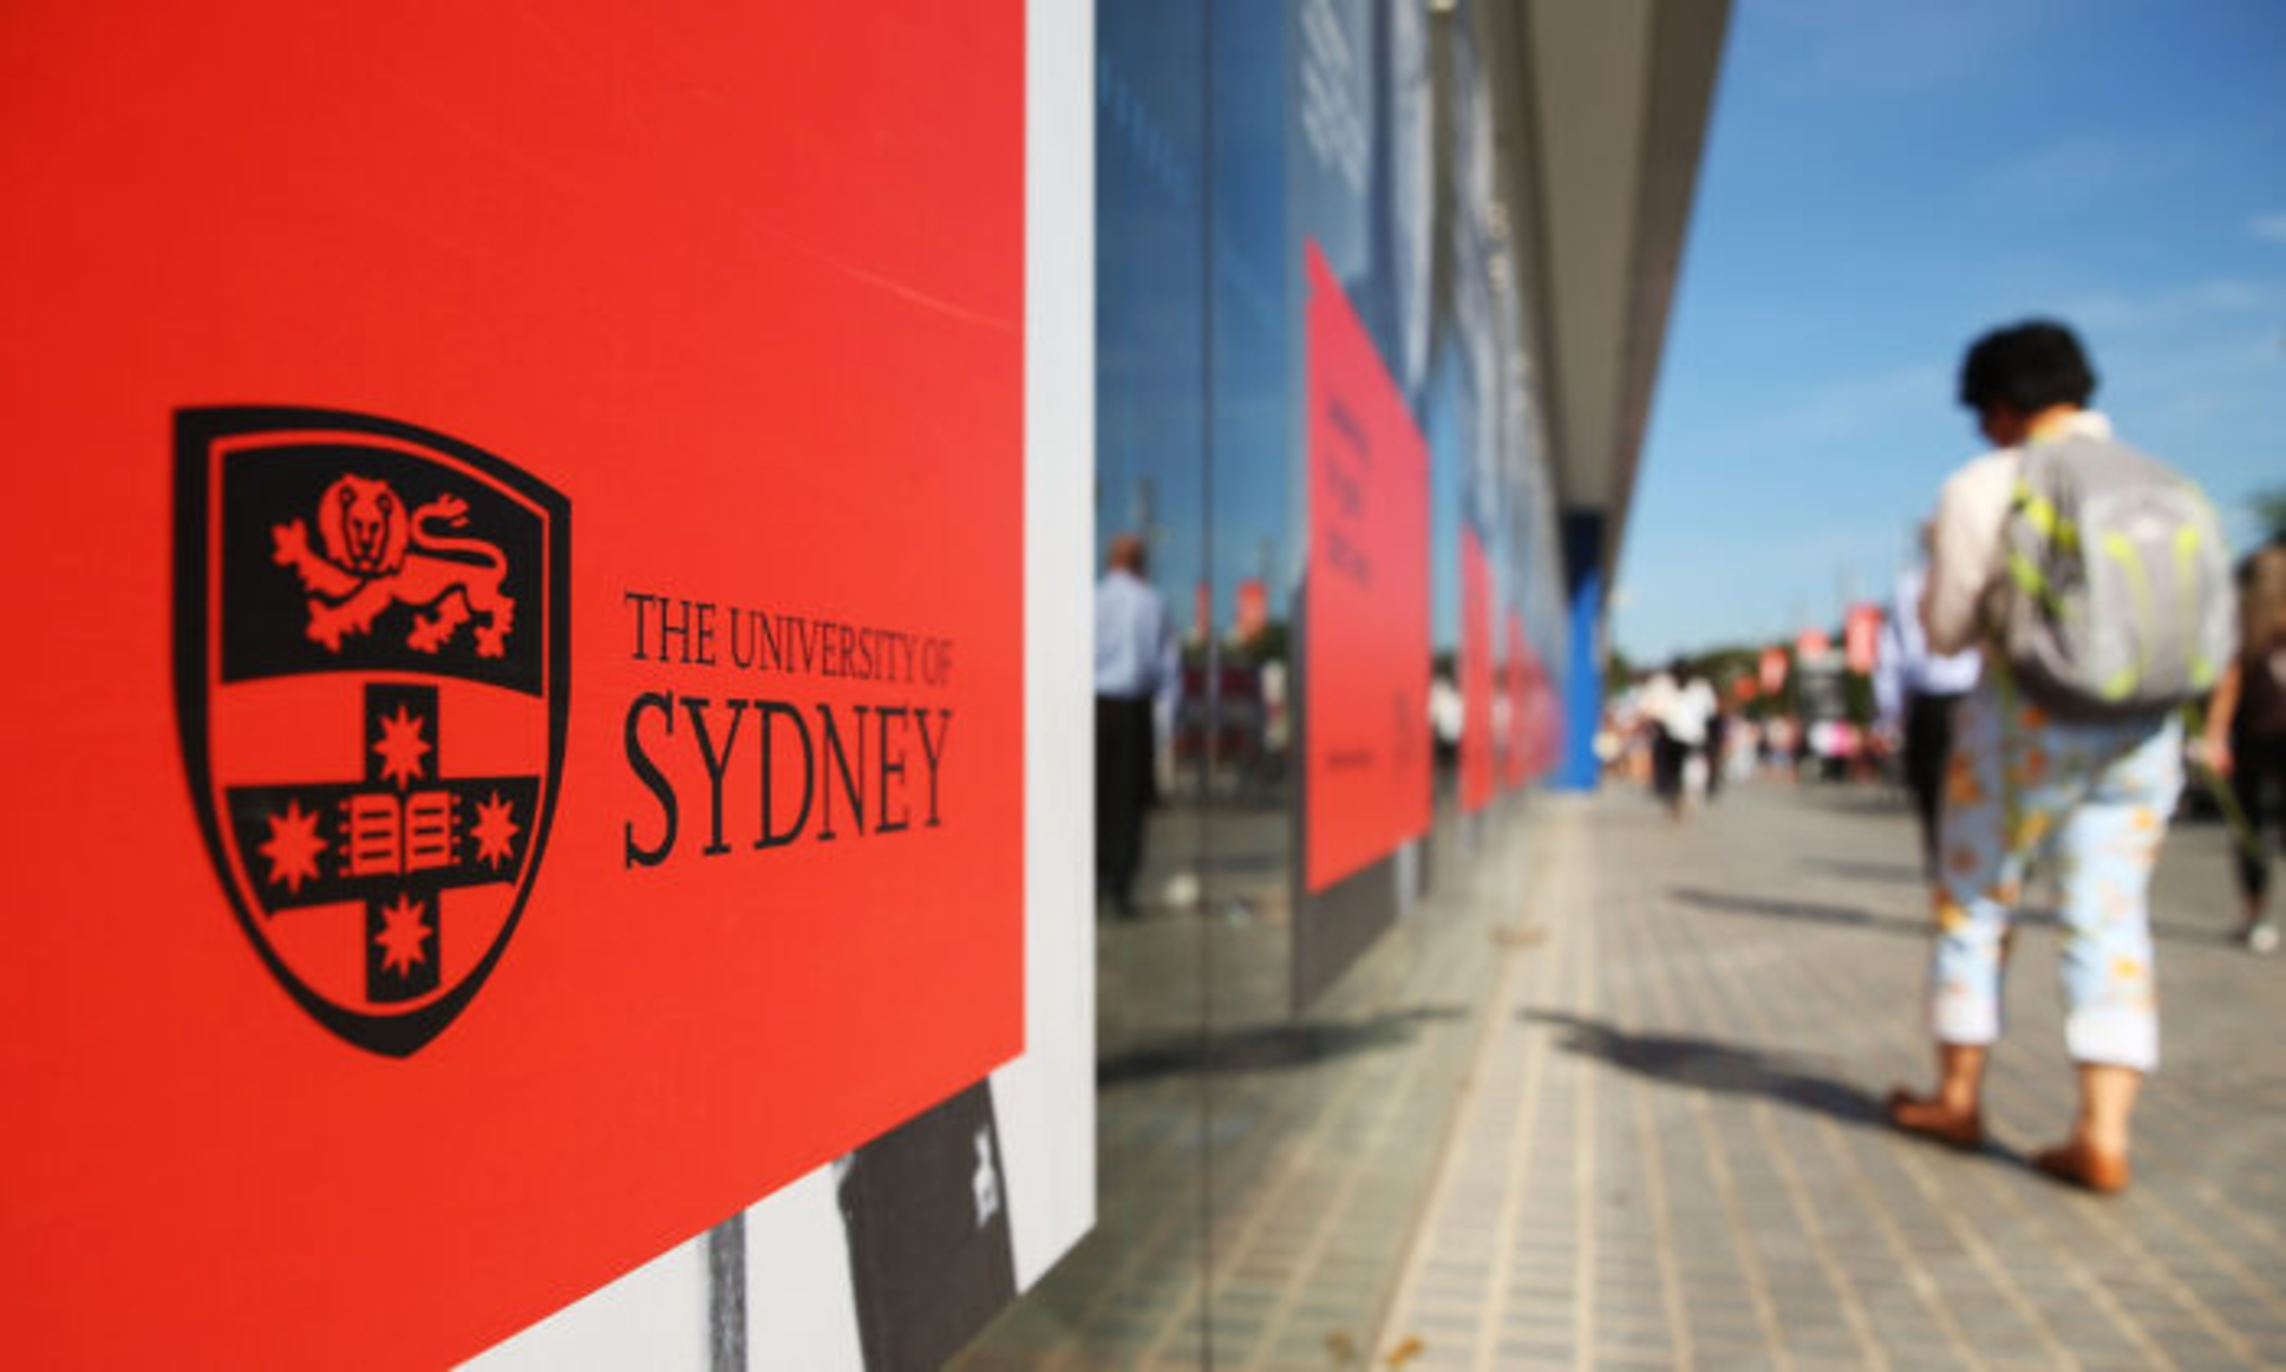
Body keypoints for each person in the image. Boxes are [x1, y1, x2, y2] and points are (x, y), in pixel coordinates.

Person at [1886, 321, 2188, 1195]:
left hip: (2022, 724)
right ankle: (2103, 1131)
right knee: (2111, 918)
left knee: (1976, 903)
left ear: (1999, 407)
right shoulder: (2164, 484)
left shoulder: (1988, 483)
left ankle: (1958, 1095)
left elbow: (1946, 630)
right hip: (2143, 728)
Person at [1874, 532, 1984, 876]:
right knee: (1976, 794)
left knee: (1934, 799)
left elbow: (1890, 658)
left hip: (1932, 702)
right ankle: (1968, 874)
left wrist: (1889, 714)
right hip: (1972, 699)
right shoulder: (1978, 576)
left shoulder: (1910, 586)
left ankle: (1946, 875)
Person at [2199, 540, 2286, 954]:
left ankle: (2257, 916)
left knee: (2249, 829)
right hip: (2263, 740)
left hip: (2253, 741)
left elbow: (2227, 686)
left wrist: (2213, 737)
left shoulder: (2244, 625)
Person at [1094, 533, 1179, 918]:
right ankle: (1121, 888)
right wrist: (1165, 727)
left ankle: (1095, 879)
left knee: (1095, 798)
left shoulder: (1092, 600)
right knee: (1129, 803)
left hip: (1095, 706)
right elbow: (1169, 670)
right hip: (1134, 711)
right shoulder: (1152, 602)